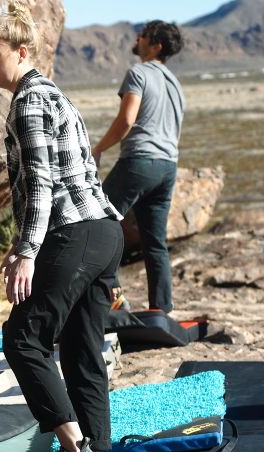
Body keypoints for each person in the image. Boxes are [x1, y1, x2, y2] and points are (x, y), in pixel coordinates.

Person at [0, 2, 123, 452]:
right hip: (103, 230)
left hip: (74, 232)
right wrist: (24, 241)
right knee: (83, 346)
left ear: (21, 52)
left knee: (23, 337)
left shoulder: (28, 102)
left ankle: (74, 447)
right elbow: (77, 175)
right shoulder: (55, 95)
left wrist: (27, 251)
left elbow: (41, 184)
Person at [92, 20, 185, 313]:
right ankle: (163, 309)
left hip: (139, 162)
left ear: (155, 45)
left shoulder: (139, 73)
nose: (138, 37)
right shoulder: (176, 84)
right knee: (155, 242)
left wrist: (98, 149)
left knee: (97, 222)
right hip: (167, 167)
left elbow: (126, 121)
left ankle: (113, 299)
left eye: (143, 35)